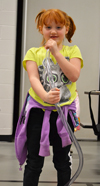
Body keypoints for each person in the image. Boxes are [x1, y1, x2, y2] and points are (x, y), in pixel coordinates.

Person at [22, 9, 83, 186]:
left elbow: (74, 75)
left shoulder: (73, 51)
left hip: (63, 115)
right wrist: (45, 96)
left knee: (62, 161)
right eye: (48, 27)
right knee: (34, 161)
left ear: (66, 28)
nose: (53, 31)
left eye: (58, 26)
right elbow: (33, 78)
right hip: (38, 113)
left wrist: (56, 52)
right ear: (41, 29)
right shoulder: (33, 53)